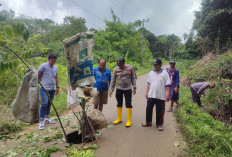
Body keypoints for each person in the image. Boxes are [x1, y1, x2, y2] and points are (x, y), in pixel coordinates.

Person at [142, 58, 171, 131]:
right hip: (151, 95)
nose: (155, 66)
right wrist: (147, 92)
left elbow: (168, 85)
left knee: (160, 111)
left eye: (156, 65)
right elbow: (148, 83)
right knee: (148, 108)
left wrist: (167, 94)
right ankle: (148, 122)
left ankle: (160, 124)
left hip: (160, 96)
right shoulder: (151, 73)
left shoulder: (165, 74)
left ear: (161, 65)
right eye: (154, 65)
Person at [109, 57, 136, 127]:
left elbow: (133, 77)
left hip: (128, 89)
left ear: (124, 63)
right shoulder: (116, 69)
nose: (119, 66)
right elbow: (113, 80)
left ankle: (129, 120)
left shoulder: (130, 68)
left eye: (120, 64)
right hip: (119, 88)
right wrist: (111, 90)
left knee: (128, 104)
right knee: (119, 103)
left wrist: (134, 87)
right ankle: (119, 119)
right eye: (118, 64)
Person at [38, 54, 59, 130]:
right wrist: (42, 83)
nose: (53, 62)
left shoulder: (55, 67)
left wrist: (57, 87)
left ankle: (47, 118)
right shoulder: (43, 66)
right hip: (44, 88)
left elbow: (56, 77)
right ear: (48, 59)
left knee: (49, 103)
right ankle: (41, 121)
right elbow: (38, 76)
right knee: (44, 104)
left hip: (52, 88)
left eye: (54, 61)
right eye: (52, 61)